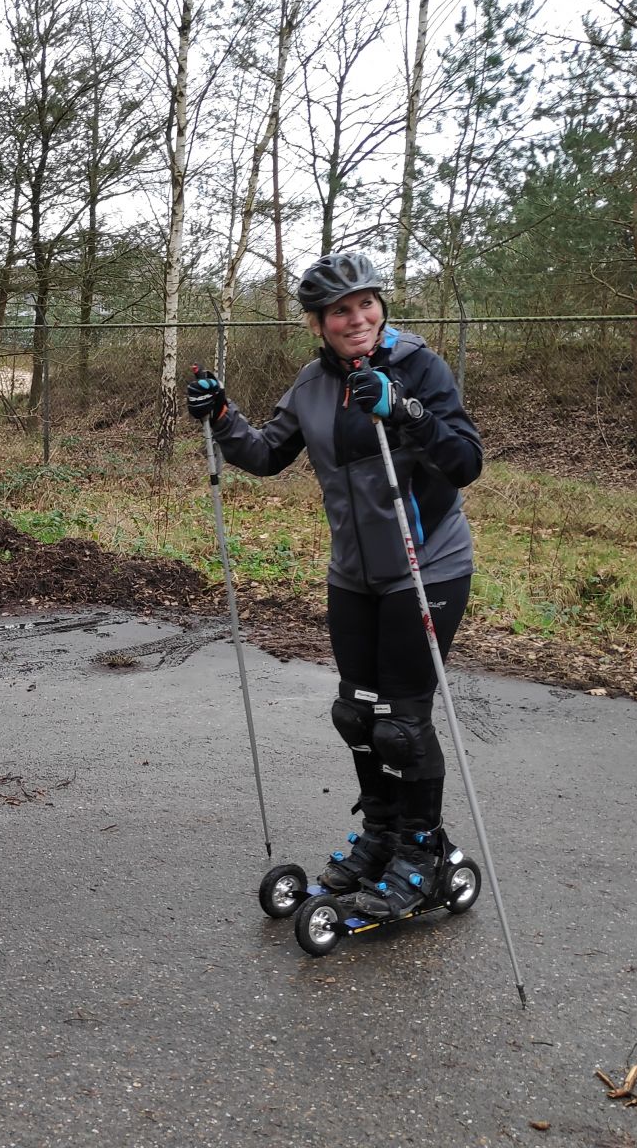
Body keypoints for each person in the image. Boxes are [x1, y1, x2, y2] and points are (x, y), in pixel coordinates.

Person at [184, 251, 483, 922]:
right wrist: (223, 415)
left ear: (381, 307)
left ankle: (422, 853)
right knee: (358, 714)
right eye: (340, 311)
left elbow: (465, 461)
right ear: (317, 324)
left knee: (402, 726)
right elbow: (267, 453)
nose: (357, 319)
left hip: (426, 567)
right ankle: (380, 837)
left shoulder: (419, 367)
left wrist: (404, 410)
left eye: (366, 304)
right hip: (354, 574)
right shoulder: (313, 383)